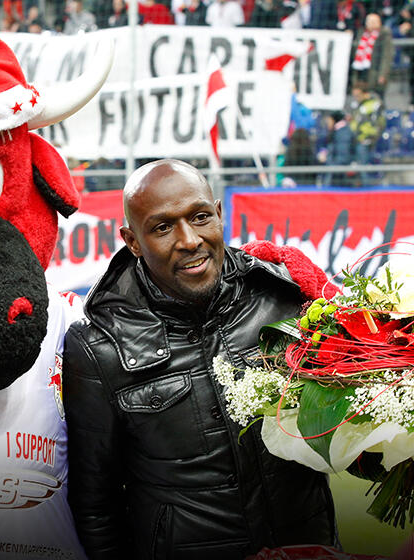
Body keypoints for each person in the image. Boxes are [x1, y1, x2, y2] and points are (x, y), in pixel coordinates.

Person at [63, 159, 337, 559]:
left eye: (200, 217)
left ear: (220, 214)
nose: (190, 239)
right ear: (132, 241)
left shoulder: (284, 296)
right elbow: (95, 505)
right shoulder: (98, 347)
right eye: (162, 227)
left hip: (310, 547)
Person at [349, 80, 385, 184]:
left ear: (365, 93)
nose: (356, 98)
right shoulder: (357, 106)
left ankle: (367, 190)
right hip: (356, 140)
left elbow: (379, 124)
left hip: (368, 141)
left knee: (364, 165)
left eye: (358, 95)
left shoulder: (375, 105)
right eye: (354, 95)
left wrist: (368, 137)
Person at [351, 13, 393, 99]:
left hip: (376, 72)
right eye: (369, 22)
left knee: (377, 97)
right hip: (362, 72)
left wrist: (383, 74)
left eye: (374, 22)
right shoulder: (361, 33)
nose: (371, 24)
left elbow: (386, 56)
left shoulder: (384, 34)